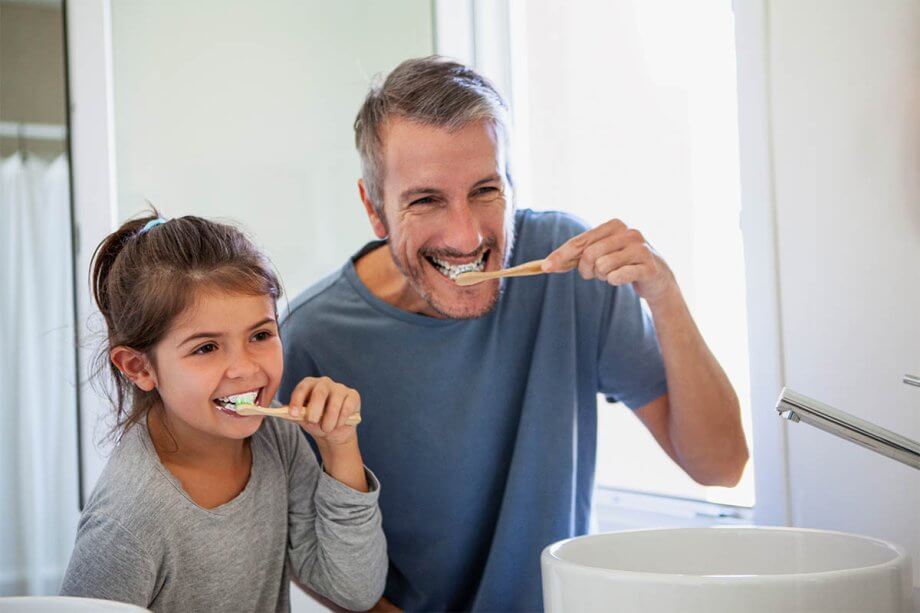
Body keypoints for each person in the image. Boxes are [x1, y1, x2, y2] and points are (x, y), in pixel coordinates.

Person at [279, 56, 748, 612]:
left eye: (485, 189)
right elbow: (312, 556)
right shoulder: (306, 342)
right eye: (427, 200)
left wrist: (664, 296)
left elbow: (721, 464)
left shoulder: (568, 271)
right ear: (374, 209)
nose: (466, 234)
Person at [61, 213, 387, 612]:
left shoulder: (275, 438)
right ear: (139, 367)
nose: (246, 369)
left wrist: (339, 448)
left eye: (261, 335)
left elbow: (354, 589)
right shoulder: (126, 523)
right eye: (206, 348)